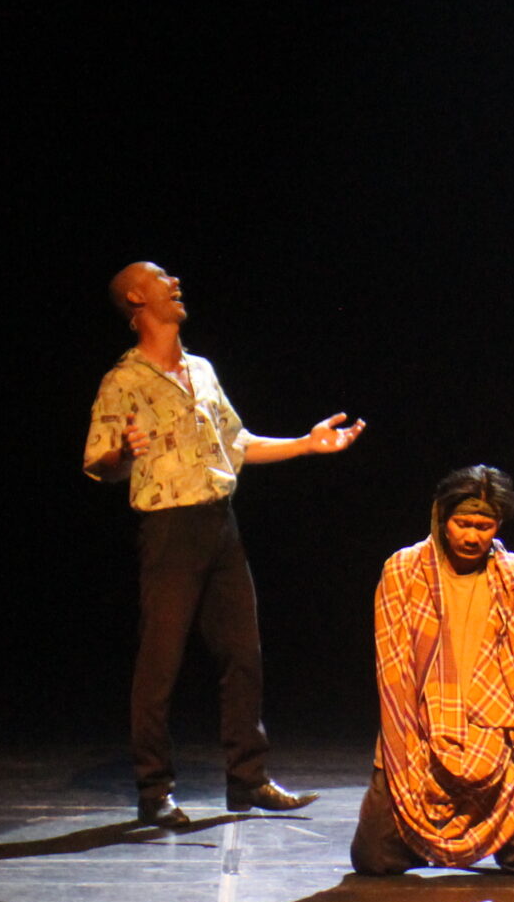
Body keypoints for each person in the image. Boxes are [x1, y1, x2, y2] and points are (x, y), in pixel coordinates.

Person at [82, 262, 363, 827]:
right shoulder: (124, 381)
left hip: (219, 522)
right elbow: (97, 463)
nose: (174, 283)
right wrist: (124, 454)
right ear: (136, 297)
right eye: (160, 278)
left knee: (243, 655)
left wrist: (306, 444)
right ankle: (154, 788)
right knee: (160, 663)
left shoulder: (202, 370)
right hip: (170, 529)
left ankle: (248, 778)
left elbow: (237, 444)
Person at [353, 466, 514, 876]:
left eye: (484, 526)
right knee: (375, 859)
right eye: (463, 524)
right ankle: (423, 840)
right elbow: (394, 670)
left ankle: (456, 836)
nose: (472, 537)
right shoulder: (404, 570)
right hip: (420, 730)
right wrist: (410, 738)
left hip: (491, 734)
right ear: (442, 518)